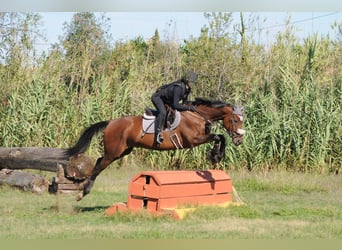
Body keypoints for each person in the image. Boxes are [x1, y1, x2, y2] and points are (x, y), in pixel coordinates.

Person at [151, 71, 198, 144]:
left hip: (167, 100)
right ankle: (157, 133)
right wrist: (189, 108)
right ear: (187, 81)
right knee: (163, 112)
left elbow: (184, 103)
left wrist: (193, 105)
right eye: (192, 82)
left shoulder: (187, 89)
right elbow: (176, 105)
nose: (194, 84)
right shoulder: (178, 89)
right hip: (157, 98)